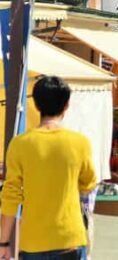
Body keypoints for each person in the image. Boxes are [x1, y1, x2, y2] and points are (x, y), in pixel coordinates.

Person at [0, 75, 96, 260]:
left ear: (36, 105)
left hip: (33, 242)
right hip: (70, 238)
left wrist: (3, 243)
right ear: (67, 105)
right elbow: (89, 183)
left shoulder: (20, 144)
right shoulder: (80, 143)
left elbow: (10, 196)